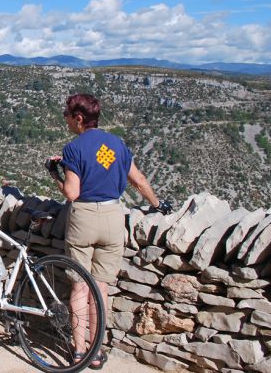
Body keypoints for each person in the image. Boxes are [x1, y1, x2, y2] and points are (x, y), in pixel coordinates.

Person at [46, 93, 172, 369]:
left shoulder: (74, 148)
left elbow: (72, 192)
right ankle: (97, 351)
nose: (65, 120)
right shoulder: (116, 143)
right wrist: (158, 204)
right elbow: (137, 180)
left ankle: (79, 352)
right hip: (114, 216)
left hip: (85, 217)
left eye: (67, 116)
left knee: (80, 286)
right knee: (100, 287)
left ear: (79, 119)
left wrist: (55, 173)